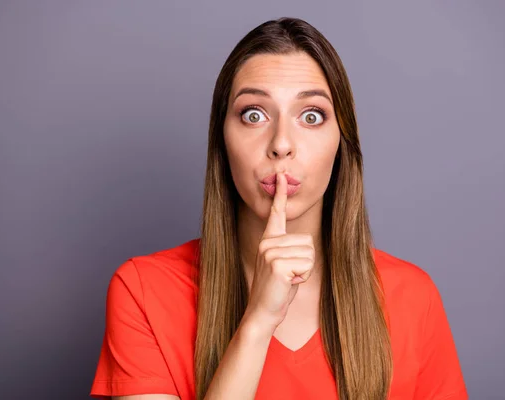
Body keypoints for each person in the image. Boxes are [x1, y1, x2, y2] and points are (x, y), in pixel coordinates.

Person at [90, 17, 468, 400]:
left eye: (311, 116)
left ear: (342, 143)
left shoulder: (413, 297)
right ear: (222, 140)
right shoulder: (143, 290)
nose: (282, 143)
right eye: (254, 114)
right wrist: (258, 322)